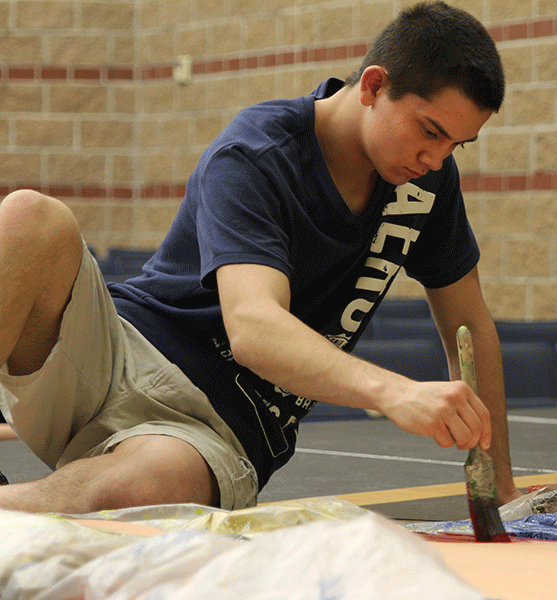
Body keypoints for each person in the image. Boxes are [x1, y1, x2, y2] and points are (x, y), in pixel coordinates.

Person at [0, 1, 521, 512]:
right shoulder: (256, 151)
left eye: (458, 144)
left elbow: (468, 322)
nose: (436, 158)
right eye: (430, 131)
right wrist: (391, 391)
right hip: (118, 352)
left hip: (213, 430)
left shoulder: (429, 183)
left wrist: (498, 485)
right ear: (373, 86)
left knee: (143, 492)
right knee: (30, 216)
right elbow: (253, 326)